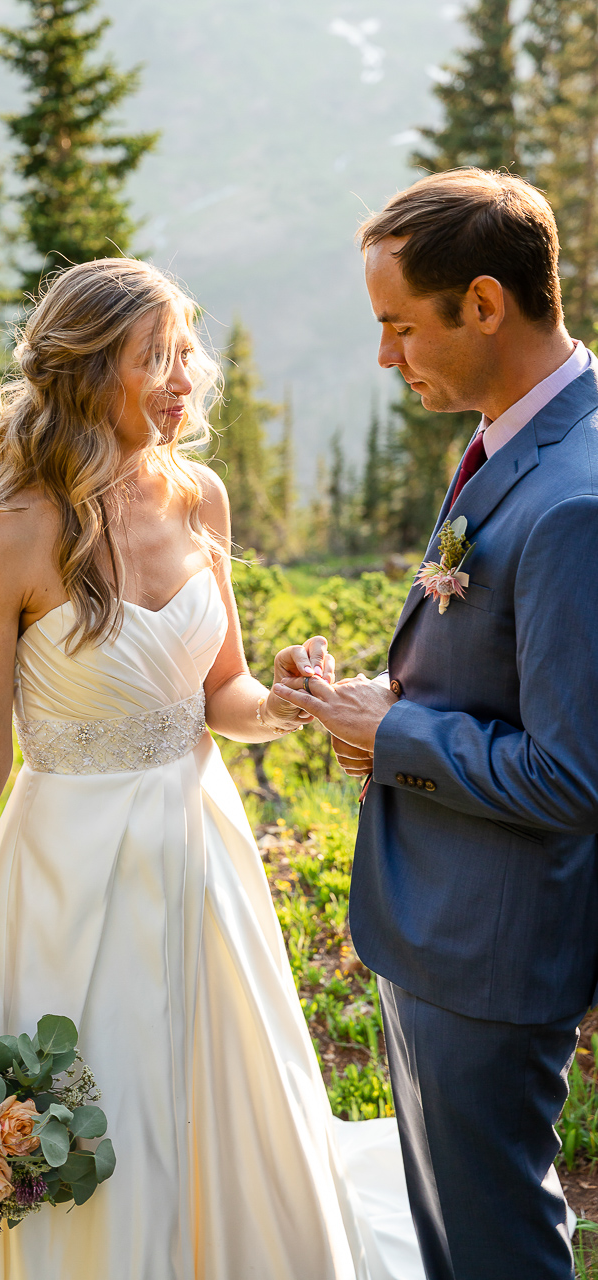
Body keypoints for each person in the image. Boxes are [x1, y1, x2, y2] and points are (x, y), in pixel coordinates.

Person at [0, 259, 420, 1280]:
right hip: (64, 882)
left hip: (202, 856)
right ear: (89, 371)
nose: (186, 376)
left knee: (216, 1103)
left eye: (186, 351)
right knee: (93, 1112)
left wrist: (291, 699)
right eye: (155, 356)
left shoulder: (199, 498)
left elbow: (223, 695)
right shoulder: (9, 532)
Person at [274, 169, 598, 1280]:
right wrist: (379, 695)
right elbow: (510, 674)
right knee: (454, 1243)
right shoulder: (520, 439)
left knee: (496, 1246)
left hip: (491, 950)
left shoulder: (574, 498)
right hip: (442, 929)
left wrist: (394, 733)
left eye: (397, 326)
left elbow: (571, 772)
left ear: (482, 303)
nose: (384, 357)